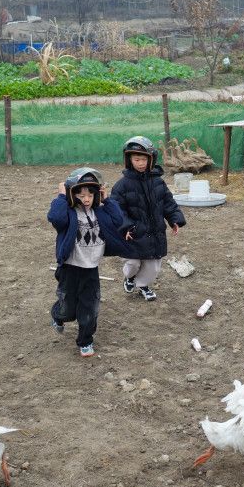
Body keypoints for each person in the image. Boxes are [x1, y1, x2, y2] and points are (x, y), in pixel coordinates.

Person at [48, 167, 126, 358]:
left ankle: (85, 341)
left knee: (89, 307)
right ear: (72, 194)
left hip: (91, 269)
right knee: (68, 309)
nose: (87, 198)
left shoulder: (100, 211)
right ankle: (58, 315)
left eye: (91, 194)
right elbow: (54, 218)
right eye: (81, 194)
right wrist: (61, 197)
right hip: (70, 268)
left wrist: (106, 200)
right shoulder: (69, 212)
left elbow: (119, 219)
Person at [111, 136, 186, 301]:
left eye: (144, 159)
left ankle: (143, 286)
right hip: (133, 233)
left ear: (151, 159)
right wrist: (126, 227)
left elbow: (168, 202)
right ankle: (129, 277)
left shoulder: (158, 182)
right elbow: (117, 210)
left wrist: (174, 219)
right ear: (129, 160)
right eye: (136, 159)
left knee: (152, 266)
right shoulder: (122, 186)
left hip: (155, 231)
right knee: (133, 263)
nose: (140, 163)